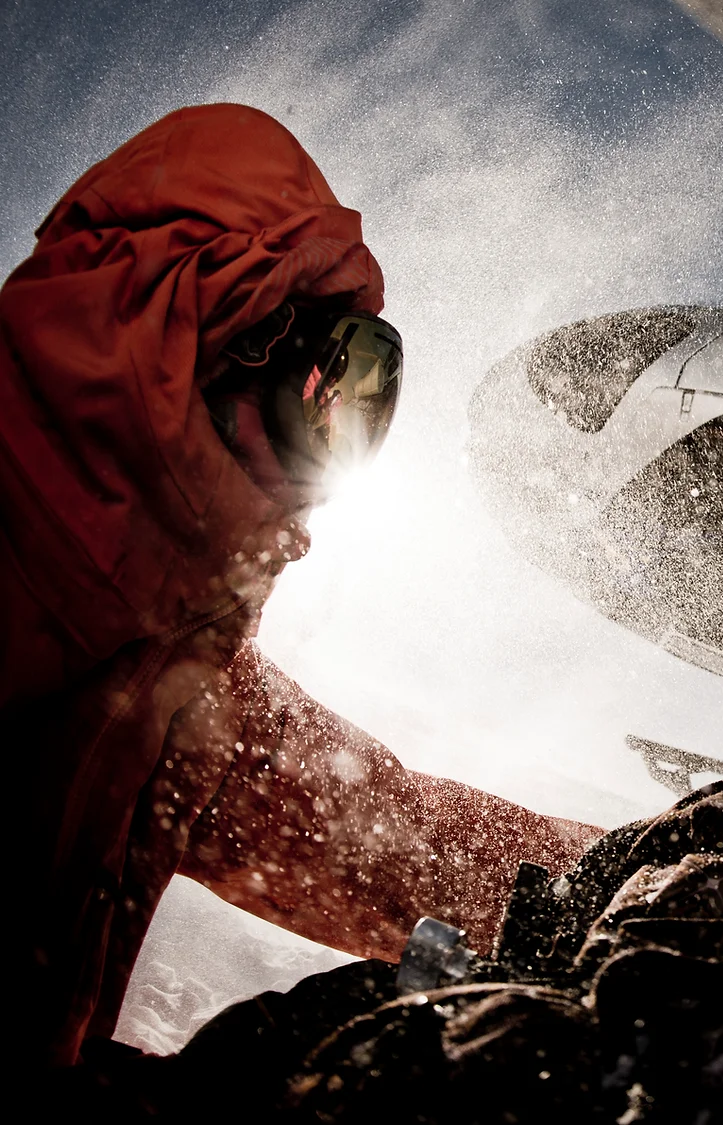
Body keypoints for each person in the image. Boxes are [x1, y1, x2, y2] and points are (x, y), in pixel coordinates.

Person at [2, 104, 603, 1067]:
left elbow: (385, 833)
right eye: (333, 392)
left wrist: (623, 878)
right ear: (198, 341)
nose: (332, 469)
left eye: (371, 405)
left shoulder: (170, 676)